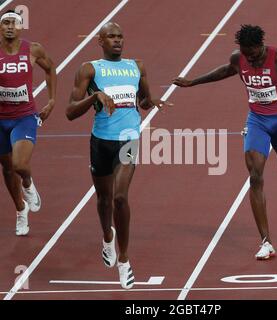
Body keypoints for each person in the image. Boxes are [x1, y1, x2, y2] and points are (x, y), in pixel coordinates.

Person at [173, 24, 277, 260]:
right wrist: (193, 82)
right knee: (255, 175)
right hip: (257, 122)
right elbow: (225, 71)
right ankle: (266, 241)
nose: (251, 60)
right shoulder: (239, 58)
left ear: (261, 46)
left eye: (254, 55)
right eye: (246, 55)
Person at [66, 22, 171, 289]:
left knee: (120, 197)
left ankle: (124, 260)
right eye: (111, 36)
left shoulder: (137, 67)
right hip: (101, 141)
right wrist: (95, 97)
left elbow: (143, 102)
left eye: (120, 36)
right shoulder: (89, 69)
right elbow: (70, 112)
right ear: (100, 41)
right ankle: (107, 236)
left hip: (128, 140)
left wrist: (152, 101)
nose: (117, 40)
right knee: (103, 201)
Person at [0, 10, 57, 236]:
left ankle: (28, 182)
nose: (10, 26)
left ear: (21, 27)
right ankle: (20, 210)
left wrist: (51, 100)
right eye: (5, 23)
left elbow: (51, 69)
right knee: (6, 169)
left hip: (24, 117)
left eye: (14, 22)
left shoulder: (32, 49)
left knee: (19, 165)